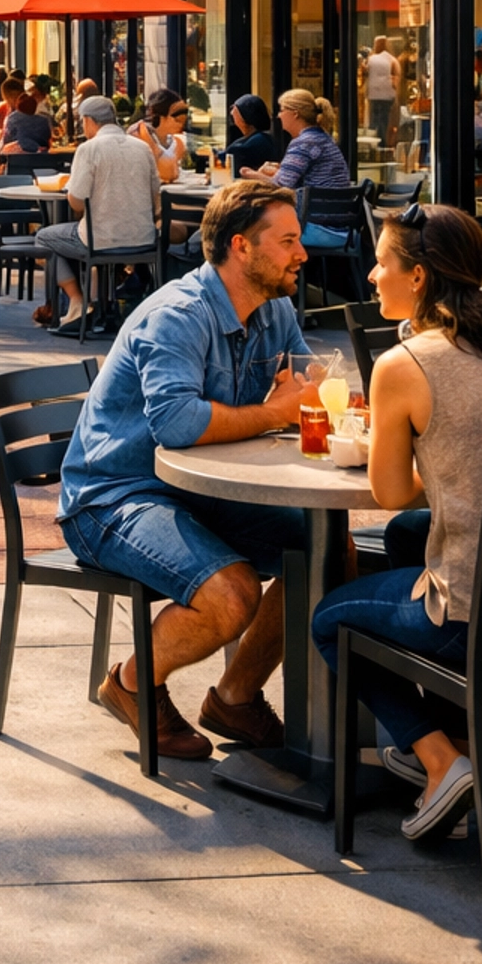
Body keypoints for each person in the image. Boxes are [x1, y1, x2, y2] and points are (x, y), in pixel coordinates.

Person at [312, 204, 482, 839]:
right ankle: (478, 729)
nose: (372, 277)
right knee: (410, 540)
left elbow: (390, 489)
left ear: (420, 277)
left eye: (382, 265)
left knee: (330, 619)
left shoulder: (403, 365)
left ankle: (440, 762)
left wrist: (423, 448)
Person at [58, 179, 311, 758]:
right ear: (242, 247)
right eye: (289, 240)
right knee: (232, 593)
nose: (302, 253)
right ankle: (130, 684)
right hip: (115, 496)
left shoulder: (275, 308)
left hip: (198, 490)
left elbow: (307, 380)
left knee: (326, 553)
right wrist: (274, 411)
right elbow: (177, 423)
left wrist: (318, 396)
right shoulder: (176, 315)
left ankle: (235, 697)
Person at [39, 96, 162, 330]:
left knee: (45, 237)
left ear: (88, 121)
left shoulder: (88, 149)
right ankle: (104, 304)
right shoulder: (142, 148)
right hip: (144, 239)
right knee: (89, 236)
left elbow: (76, 202)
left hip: (101, 240)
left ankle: (78, 301)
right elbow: (155, 194)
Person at [260, 88, 352, 192]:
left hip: (315, 205)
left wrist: (250, 174)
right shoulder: (324, 138)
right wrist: (279, 170)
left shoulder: (303, 143)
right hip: (337, 204)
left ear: (295, 114)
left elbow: (281, 185)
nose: (279, 115)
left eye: (282, 110)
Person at [128, 88, 191, 184]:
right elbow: (166, 172)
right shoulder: (137, 135)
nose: (181, 123)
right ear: (161, 117)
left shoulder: (175, 141)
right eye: (177, 118)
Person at [225, 95, 277, 178]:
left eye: (234, 109)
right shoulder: (254, 137)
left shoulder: (260, 140)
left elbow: (233, 155)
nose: (231, 113)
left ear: (244, 116)